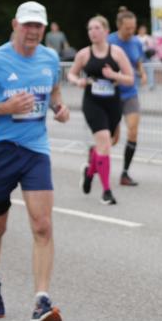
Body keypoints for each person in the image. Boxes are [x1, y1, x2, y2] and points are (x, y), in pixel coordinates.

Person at [0, 1, 70, 321]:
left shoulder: (50, 58)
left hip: (35, 149)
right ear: (15, 25)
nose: (33, 31)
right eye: (27, 25)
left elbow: (53, 91)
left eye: (38, 25)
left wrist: (59, 108)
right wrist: (5, 106)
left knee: (42, 225)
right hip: (0, 151)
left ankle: (41, 300)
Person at [70, 15, 134, 206]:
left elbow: (130, 78)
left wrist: (113, 75)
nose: (93, 32)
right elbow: (71, 73)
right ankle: (107, 191)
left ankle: (90, 171)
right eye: (90, 29)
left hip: (112, 103)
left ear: (106, 31)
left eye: (97, 28)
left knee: (106, 144)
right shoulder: (83, 54)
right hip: (92, 102)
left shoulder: (116, 52)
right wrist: (78, 81)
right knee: (105, 141)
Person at [108, 7, 146, 187]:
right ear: (119, 26)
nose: (131, 31)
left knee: (133, 131)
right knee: (112, 139)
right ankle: (94, 161)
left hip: (130, 93)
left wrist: (142, 73)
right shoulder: (109, 42)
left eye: (133, 28)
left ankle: (124, 173)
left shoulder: (136, 42)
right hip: (112, 95)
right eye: (127, 29)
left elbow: (138, 60)